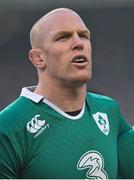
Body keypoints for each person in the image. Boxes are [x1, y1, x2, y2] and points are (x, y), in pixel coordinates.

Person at [0, 8, 133, 179]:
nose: (79, 43)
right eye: (63, 37)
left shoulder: (109, 110)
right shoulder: (9, 128)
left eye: (84, 35)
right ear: (38, 58)